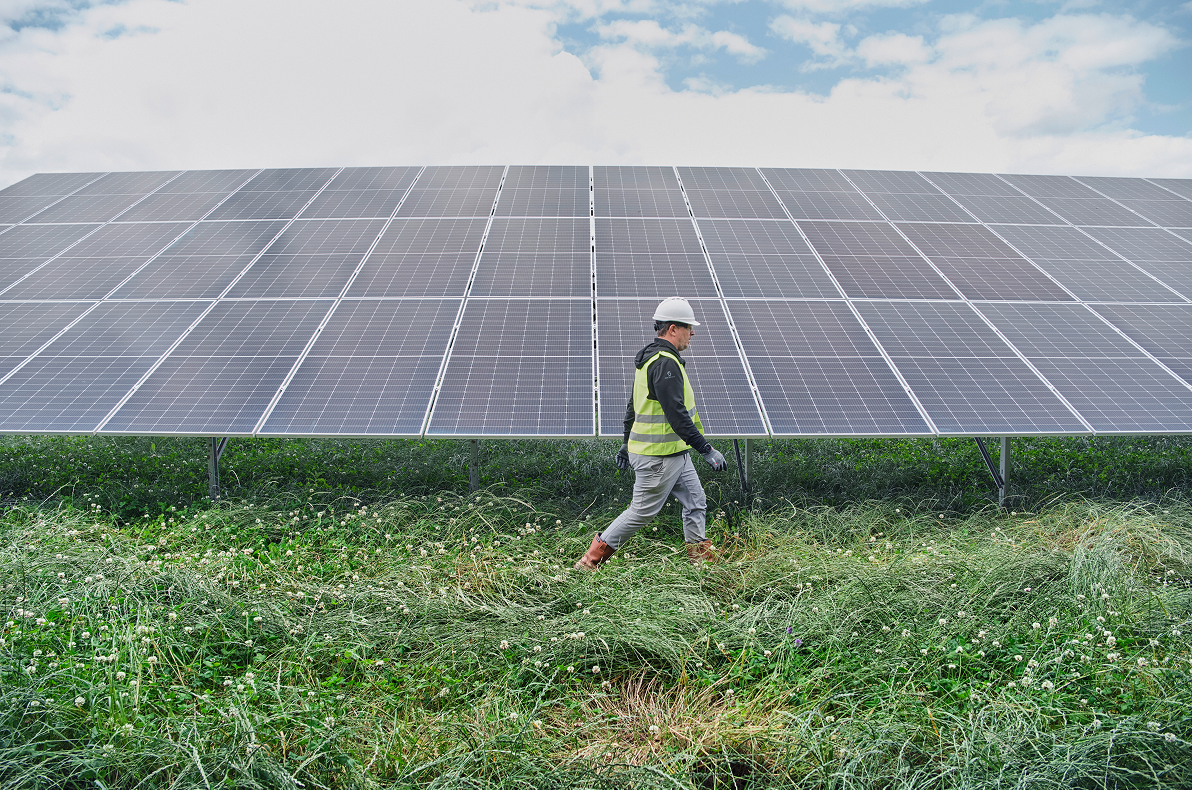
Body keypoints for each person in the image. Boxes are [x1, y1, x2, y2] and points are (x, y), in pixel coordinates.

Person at [574, 297, 728, 570]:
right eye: (688, 327)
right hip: (658, 456)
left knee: (696, 501)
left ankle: (701, 565)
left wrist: (626, 443)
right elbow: (676, 413)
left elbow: (633, 406)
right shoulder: (664, 363)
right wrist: (706, 449)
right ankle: (589, 562)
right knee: (641, 513)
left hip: (675, 452)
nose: (692, 333)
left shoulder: (653, 360)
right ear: (673, 329)